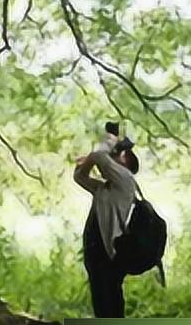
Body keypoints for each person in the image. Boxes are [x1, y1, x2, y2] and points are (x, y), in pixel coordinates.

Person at [73, 124, 141, 317]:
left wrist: (109, 142)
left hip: (109, 257)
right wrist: (90, 159)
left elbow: (99, 157)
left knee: (109, 305)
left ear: (126, 161)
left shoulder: (126, 181)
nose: (112, 158)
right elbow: (79, 176)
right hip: (98, 256)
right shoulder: (105, 188)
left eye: (117, 156)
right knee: (104, 306)